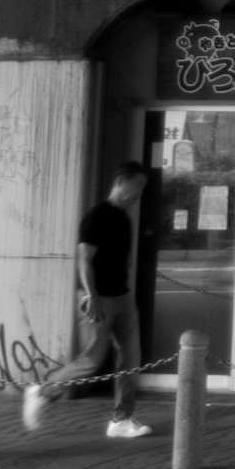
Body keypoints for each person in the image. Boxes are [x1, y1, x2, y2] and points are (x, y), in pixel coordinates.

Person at [24, 160, 154, 439]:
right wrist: (91, 297)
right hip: (98, 299)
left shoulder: (125, 218)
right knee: (92, 360)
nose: (140, 193)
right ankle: (44, 390)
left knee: (131, 358)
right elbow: (84, 260)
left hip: (122, 297)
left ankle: (122, 419)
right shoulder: (98, 217)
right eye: (138, 186)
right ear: (122, 182)